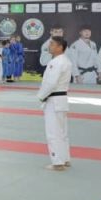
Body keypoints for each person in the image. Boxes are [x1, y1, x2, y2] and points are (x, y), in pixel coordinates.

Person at [36, 35, 71, 171]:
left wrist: (41, 96)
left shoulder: (56, 62)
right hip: (61, 100)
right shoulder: (66, 61)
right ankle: (65, 158)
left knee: (53, 133)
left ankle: (57, 162)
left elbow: (51, 83)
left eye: (52, 44)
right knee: (62, 132)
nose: (49, 46)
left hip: (54, 100)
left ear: (60, 47)